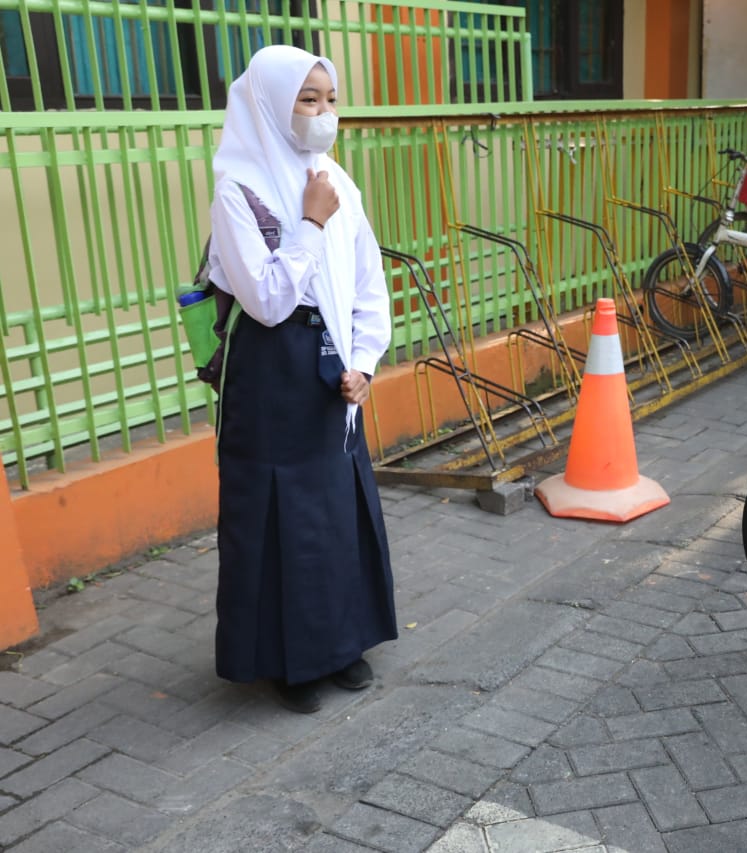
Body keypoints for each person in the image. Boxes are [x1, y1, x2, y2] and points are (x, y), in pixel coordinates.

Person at [207, 45, 397, 714]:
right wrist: (311, 221)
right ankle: (289, 665)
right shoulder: (237, 188)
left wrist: (366, 361)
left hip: (332, 363)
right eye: (306, 100)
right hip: (269, 371)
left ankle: (346, 644)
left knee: (334, 509)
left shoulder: (335, 178)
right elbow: (265, 299)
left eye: (330, 99)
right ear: (269, 104)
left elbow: (368, 281)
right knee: (279, 515)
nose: (322, 114)